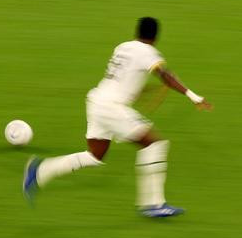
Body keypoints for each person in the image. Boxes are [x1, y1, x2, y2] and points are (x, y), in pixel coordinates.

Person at [22, 17, 213, 217]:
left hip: (96, 101)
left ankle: (39, 171)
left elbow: (124, 78)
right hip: (111, 107)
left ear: (137, 32)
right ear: (155, 37)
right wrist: (193, 96)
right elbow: (165, 74)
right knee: (155, 144)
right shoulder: (148, 52)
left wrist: (141, 90)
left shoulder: (122, 47)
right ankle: (154, 204)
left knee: (95, 155)